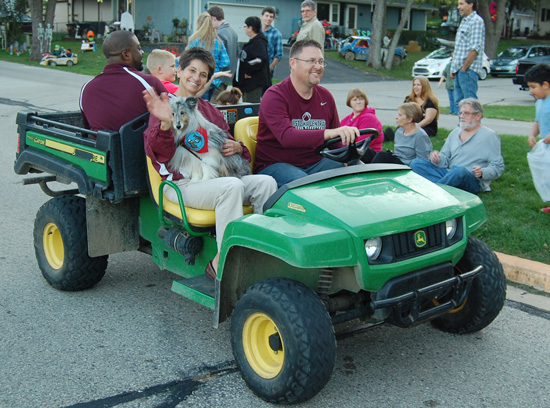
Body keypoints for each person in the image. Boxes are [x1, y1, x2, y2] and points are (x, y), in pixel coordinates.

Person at [143, 47, 277, 279]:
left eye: (203, 74)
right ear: (180, 71)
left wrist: (238, 147)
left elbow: (235, 149)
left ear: (208, 80)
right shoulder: (167, 106)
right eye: (191, 70)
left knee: (266, 183)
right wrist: (166, 123)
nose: (196, 78)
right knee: (231, 187)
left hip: (214, 179)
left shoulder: (209, 110)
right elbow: (159, 153)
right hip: (180, 185)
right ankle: (224, 264)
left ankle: (262, 252)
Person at [254, 39, 359, 187]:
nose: (318, 67)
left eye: (321, 62)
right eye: (311, 61)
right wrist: (329, 133)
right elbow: (287, 137)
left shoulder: (326, 97)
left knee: (357, 173)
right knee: (307, 185)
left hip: (315, 163)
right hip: (275, 165)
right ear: (293, 63)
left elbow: (335, 144)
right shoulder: (275, 96)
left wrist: (351, 156)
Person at [409, 98, 504, 194]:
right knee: (416, 163)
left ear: (478, 116)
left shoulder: (489, 136)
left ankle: (435, 191)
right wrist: (437, 158)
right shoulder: (455, 132)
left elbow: (498, 166)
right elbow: (444, 158)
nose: (462, 116)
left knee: (459, 171)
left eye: (466, 113)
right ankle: (443, 186)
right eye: (460, 113)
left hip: (471, 179)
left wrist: (482, 172)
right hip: (449, 172)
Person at [79, 30, 166, 131]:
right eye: (139, 48)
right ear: (126, 55)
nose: (142, 52)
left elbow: (86, 128)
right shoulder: (148, 82)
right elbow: (179, 111)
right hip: (140, 146)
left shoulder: (86, 88)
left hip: (97, 146)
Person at [187, 12, 231, 102]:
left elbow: (188, 59)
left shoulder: (194, 40)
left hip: (198, 79)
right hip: (213, 79)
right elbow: (226, 62)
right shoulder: (218, 41)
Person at [525, 64, 550, 213]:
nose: (530, 91)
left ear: (545, 85)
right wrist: (532, 135)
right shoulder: (539, 102)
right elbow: (538, 121)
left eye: (533, 87)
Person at [450, 0, 485, 102]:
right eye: (458, 4)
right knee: (460, 103)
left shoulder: (476, 21)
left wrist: (464, 69)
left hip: (468, 70)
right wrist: (453, 68)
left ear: (471, 4)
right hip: (458, 69)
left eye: (461, 4)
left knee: (470, 103)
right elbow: (460, 48)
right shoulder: (465, 21)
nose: (458, 7)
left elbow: (475, 48)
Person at [339, 88, 384, 163]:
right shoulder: (345, 120)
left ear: (365, 101)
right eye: (355, 100)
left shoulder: (369, 118)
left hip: (368, 156)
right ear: (349, 103)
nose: (358, 102)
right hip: (349, 151)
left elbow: (362, 143)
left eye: (361, 99)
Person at [233, 16, 271, 103]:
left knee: (250, 107)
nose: (244, 28)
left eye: (245, 26)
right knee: (246, 104)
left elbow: (260, 59)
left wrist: (248, 72)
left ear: (251, 28)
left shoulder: (259, 42)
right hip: (247, 84)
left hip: (254, 83)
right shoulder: (253, 41)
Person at [208, 5, 239, 103]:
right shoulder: (233, 32)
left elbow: (216, 57)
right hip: (228, 76)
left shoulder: (220, 34)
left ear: (213, 18)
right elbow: (237, 53)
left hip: (219, 77)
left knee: (214, 105)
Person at [261, 7, 283, 79]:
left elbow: (278, 54)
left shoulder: (276, 34)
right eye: (266, 16)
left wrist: (271, 67)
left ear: (273, 19)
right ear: (262, 16)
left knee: (266, 90)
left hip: (267, 69)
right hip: (255, 69)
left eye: (271, 17)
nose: (268, 18)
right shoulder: (256, 31)